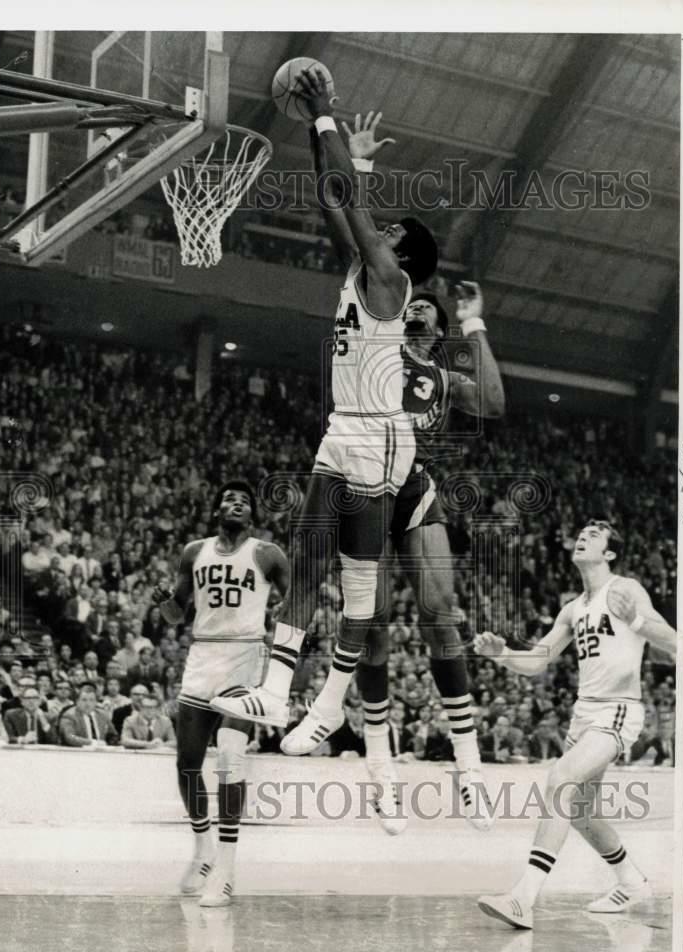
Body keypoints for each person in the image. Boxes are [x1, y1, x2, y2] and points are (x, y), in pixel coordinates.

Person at [213, 76, 438, 771]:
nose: (382, 229)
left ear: (402, 257)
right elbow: (331, 196)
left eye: (392, 232)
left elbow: (350, 198)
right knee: (307, 559)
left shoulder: (395, 285)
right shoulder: (360, 271)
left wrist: (325, 115)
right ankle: (277, 693)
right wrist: (342, 150)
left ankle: (334, 701)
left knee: (362, 593)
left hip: (378, 436)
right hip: (343, 426)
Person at [475, 520, 677, 928]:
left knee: (561, 778)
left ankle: (523, 898)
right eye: (582, 532)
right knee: (581, 811)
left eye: (595, 534)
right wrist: (503, 654)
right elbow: (537, 662)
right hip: (583, 714)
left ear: (610, 553)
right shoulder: (573, 607)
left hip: (617, 709)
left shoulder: (625, 589)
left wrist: (637, 622)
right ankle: (631, 880)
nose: (583, 536)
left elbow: (672, 641)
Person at [356, 284, 505, 830]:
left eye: (428, 310)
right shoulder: (376, 346)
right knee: (370, 625)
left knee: (442, 615)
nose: (417, 308)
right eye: (411, 304)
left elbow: (493, 402)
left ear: (437, 330)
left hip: (414, 489)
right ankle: (381, 766)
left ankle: (470, 771)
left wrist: (473, 323)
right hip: (365, 485)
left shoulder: (442, 377)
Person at [153, 482, 288, 908]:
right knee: (187, 762)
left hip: (246, 655)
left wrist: (285, 619)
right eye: (230, 498)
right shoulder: (195, 552)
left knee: (231, 754)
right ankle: (204, 851)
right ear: (217, 508)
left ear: (252, 516)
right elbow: (177, 614)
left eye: (245, 501)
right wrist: (163, 603)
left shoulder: (267, 554)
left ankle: (226, 871)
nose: (237, 503)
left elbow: (296, 599)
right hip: (202, 655)